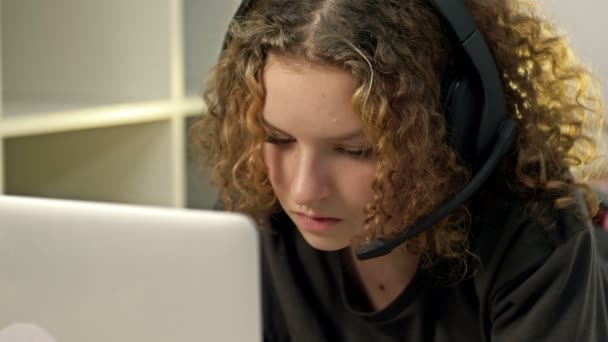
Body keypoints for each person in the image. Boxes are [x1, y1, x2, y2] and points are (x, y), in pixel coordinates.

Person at [190, 0, 608, 340]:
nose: (303, 190)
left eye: (355, 151)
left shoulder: (535, 236)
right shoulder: (251, 220)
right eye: (278, 139)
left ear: (447, 128)